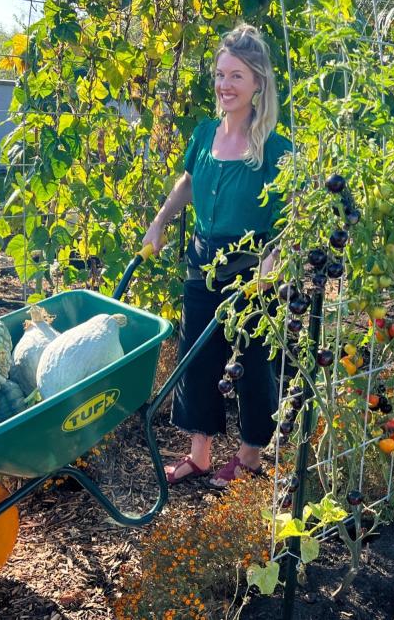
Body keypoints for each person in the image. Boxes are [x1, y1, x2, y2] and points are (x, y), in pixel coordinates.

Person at [141, 24, 293, 489]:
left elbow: (290, 217)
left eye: (237, 77)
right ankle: (200, 455)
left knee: (250, 359)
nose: (225, 86)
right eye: (221, 75)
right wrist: (161, 220)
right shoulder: (206, 132)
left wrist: (273, 259)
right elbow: (187, 183)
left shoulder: (276, 147)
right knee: (197, 356)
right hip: (203, 258)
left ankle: (248, 455)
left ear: (258, 84)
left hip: (252, 265)